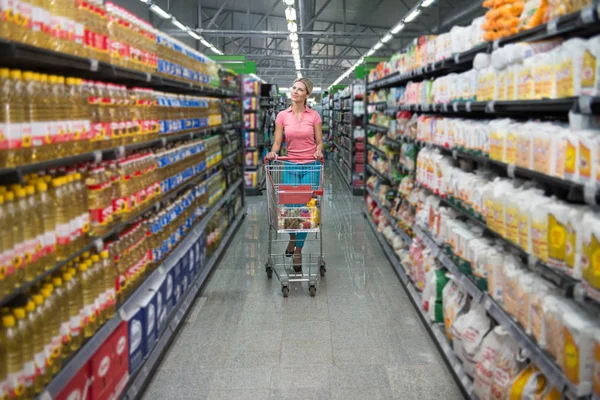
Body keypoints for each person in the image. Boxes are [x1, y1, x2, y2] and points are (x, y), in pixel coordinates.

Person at [266, 78, 323, 272]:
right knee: (291, 209)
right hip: (289, 165)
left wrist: (319, 151)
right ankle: (292, 240)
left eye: (300, 89)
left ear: (307, 94)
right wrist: (274, 152)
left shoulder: (314, 116)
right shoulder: (282, 116)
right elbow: (277, 142)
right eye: (294, 88)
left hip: (310, 166)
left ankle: (298, 250)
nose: (295, 91)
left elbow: (319, 141)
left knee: (304, 209)